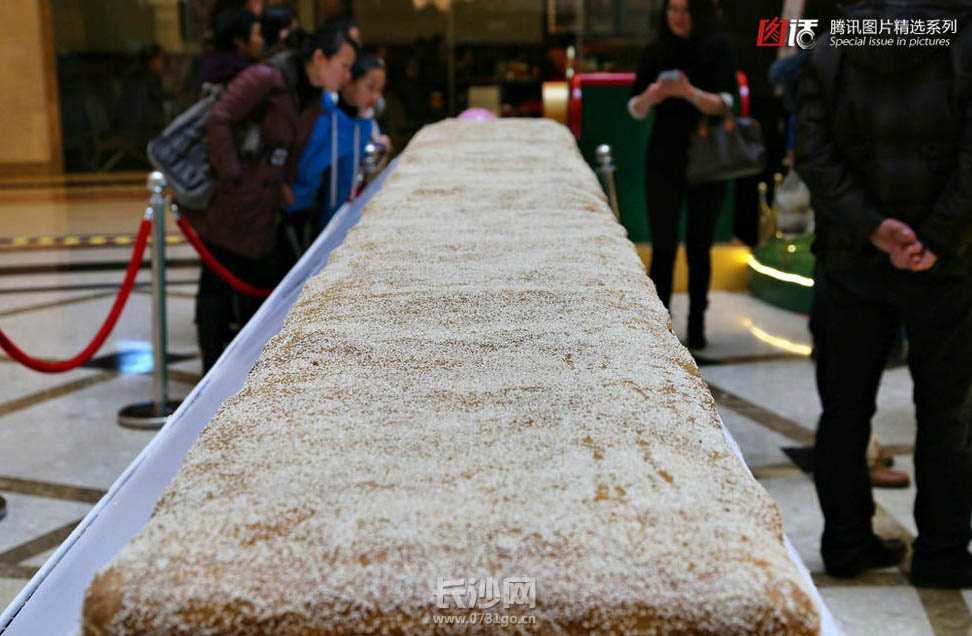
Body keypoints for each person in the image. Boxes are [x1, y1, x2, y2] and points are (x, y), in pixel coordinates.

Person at [795, 1, 972, 586]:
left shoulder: (831, 41)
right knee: (947, 412)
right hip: (946, 264)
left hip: (851, 259)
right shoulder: (961, 34)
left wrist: (874, 227)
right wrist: (935, 237)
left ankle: (847, 542)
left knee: (844, 410)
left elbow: (813, 156)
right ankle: (943, 553)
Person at [181, 24, 357, 373]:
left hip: (264, 208)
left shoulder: (311, 95)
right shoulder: (266, 78)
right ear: (319, 57)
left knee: (257, 286)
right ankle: (211, 372)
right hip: (231, 203)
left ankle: (246, 372)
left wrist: (284, 183)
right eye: (344, 65)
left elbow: (290, 148)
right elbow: (219, 119)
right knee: (218, 284)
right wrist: (234, 177)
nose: (347, 76)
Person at [627, 0, 737, 349]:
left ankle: (697, 324)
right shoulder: (656, 48)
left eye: (686, 10)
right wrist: (654, 94)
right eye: (672, 9)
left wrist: (689, 92)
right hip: (663, 159)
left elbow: (726, 103)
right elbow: (635, 107)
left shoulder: (717, 46)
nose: (678, 17)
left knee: (699, 247)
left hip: (707, 160)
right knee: (663, 245)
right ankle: (660, 328)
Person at [197, 8, 263, 89]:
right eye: (257, 34)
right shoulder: (239, 74)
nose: (261, 40)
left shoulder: (213, 62)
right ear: (239, 40)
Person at [338, 54, 392, 154]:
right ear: (349, 80)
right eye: (370, 87)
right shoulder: (328, 113)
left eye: (380, 89)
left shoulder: (371, 115)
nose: (376, 96)